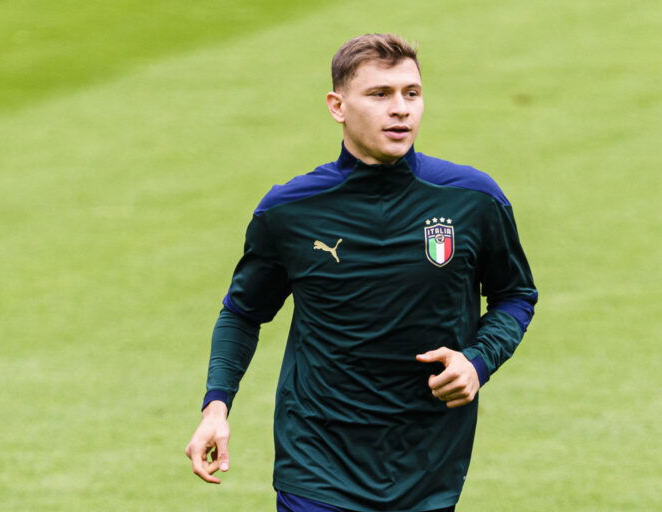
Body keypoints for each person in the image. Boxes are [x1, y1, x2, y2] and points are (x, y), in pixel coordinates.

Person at [185, 33, 538, 512]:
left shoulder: (472, 199)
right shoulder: (290, 211)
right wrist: (216, 407)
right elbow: (243, 313)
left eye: (411, 93)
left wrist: (477, 362)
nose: (401, 109)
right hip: (316, 464)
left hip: (428, 464)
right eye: (380, 94)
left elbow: (514, 295)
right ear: (337, 105)